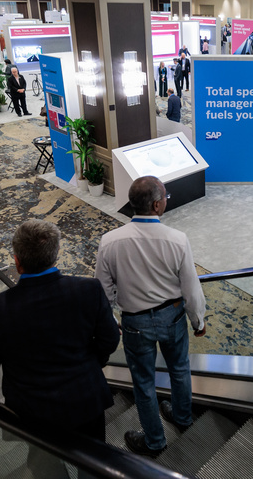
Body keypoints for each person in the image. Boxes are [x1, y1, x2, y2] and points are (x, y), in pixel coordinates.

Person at [0, 220, 120, 475]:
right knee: (94, 463)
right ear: (55, 254)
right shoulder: (88, 290)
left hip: (32, 412)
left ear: (17, 261)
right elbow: (110, 339)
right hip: (85, 399)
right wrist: (90, 363)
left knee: (43, 464)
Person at [96, 177, 207, 457]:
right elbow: (191, 288)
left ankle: (155, 441)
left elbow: (102, 292)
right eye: (165, 197)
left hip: (135, 322)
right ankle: (182, 417)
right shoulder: (177, 239)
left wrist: (111, 322)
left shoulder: (109, 242)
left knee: (143, 382)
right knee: (179, 369)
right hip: (173, 316)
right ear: (157, 205)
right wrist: (198, 321)